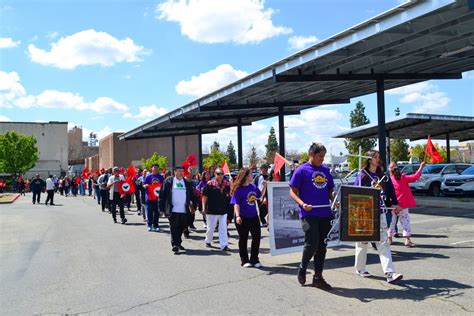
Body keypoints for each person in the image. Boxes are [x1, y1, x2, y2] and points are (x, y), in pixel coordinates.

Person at [289, 142, 335, 290]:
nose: (322, 159)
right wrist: (302, 204)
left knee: (322, 246)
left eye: (323, 156)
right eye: (320, 156)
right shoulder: (301, 170)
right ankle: (303, 268)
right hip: (308, 213)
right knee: (312, 243)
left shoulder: (326, 171)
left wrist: (335, 199)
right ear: (311, 154)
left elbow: (330, 191)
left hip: (325, 213)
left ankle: (318, 277)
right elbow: (292, 192)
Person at [353, 150, 403, 284]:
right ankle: (360, 268)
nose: (378, 159)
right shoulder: (362, 175)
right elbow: (354, 193)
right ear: (369, 159)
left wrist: (395, 203)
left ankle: (389, 273)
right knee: (362, 242)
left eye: (378, 157)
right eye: (375, 157)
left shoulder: (383, 175)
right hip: (365, 213)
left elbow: (391, 191)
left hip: (379, 211)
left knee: (383, 242)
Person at [159, 166, 198, 254]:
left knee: (182, 227)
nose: (181, 173)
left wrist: (194, 206)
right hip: (173, 210)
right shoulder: (168, 181)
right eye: (179, 171)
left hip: (184, 210)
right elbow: (162, 195)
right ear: (175, 172)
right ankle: (175, 245)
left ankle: (178, 243)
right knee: (174, 227)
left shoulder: (187, 183)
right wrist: (161, 209)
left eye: (182, 171)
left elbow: (192, 195)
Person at [230, 168, 262, 268]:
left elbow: (260, 196)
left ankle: (254, 259)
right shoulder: (238, 189)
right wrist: (238, 216)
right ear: (246, 176)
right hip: (242, 216)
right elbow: (236, 204)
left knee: (256, 237)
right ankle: (244, 260)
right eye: (251, 174)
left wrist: (265, 187)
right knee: (243, 238)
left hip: (254, 216)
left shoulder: (253, 186)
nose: (252, 176)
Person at [389, 161, 426, 247]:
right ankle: (407, 240)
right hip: (403, 205)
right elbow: (415, 177)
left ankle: (389, 239)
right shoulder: (403, 177)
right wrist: (421, 167)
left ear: (390, 170)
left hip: (392, 205)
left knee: (391, 222)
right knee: (405, 222)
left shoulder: (388, 180)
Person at [202, 168, 231, 251]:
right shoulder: (210, 184)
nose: (220, 176)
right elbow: (204, 197)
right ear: (215, 174)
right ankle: (208, 240)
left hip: (223, 210)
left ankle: (224, 245)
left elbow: (231, 194)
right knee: (210, 228)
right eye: (218, 174)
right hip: (212, 210)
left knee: (223, 228)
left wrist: (231, 184)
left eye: (222, 174)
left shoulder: (226, 184)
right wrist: (203, 207)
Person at [144, 164, 165, 232]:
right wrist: (146, 185)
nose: (155, 169)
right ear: (151, 168)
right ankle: (149, 225)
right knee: (149, 212)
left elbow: (164, 186)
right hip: (149, 197)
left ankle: (156, 225)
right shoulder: (148, 177)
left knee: (157, 212)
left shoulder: (161, 177)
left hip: (158, 197)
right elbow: (143, 184)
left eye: (157, 168)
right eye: (154, 167)